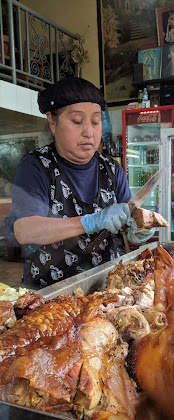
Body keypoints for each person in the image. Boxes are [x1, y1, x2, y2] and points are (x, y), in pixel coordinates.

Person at [11, 77, 155, 287]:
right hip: (53, 296)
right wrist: (91, 221)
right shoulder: (36, 167)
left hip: (109, 289)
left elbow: (127, 220)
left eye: (95, 122)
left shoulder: (111, 168)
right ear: (52, 121)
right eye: (77, 121)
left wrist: (137, 228)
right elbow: (25, 231)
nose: (89, 132)